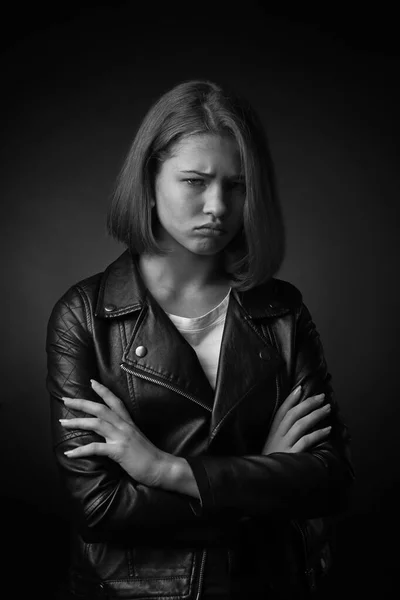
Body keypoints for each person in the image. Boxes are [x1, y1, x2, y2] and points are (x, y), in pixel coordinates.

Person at [46, 79, 354, 600]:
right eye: (194, 181)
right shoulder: (85, 316)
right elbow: (99, 508)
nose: (218, 206)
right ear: (149, 183)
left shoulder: (280, 309)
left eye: (236, 186)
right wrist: (264, 478)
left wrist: (164, 469)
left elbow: (329, 479)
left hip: (270, 585)